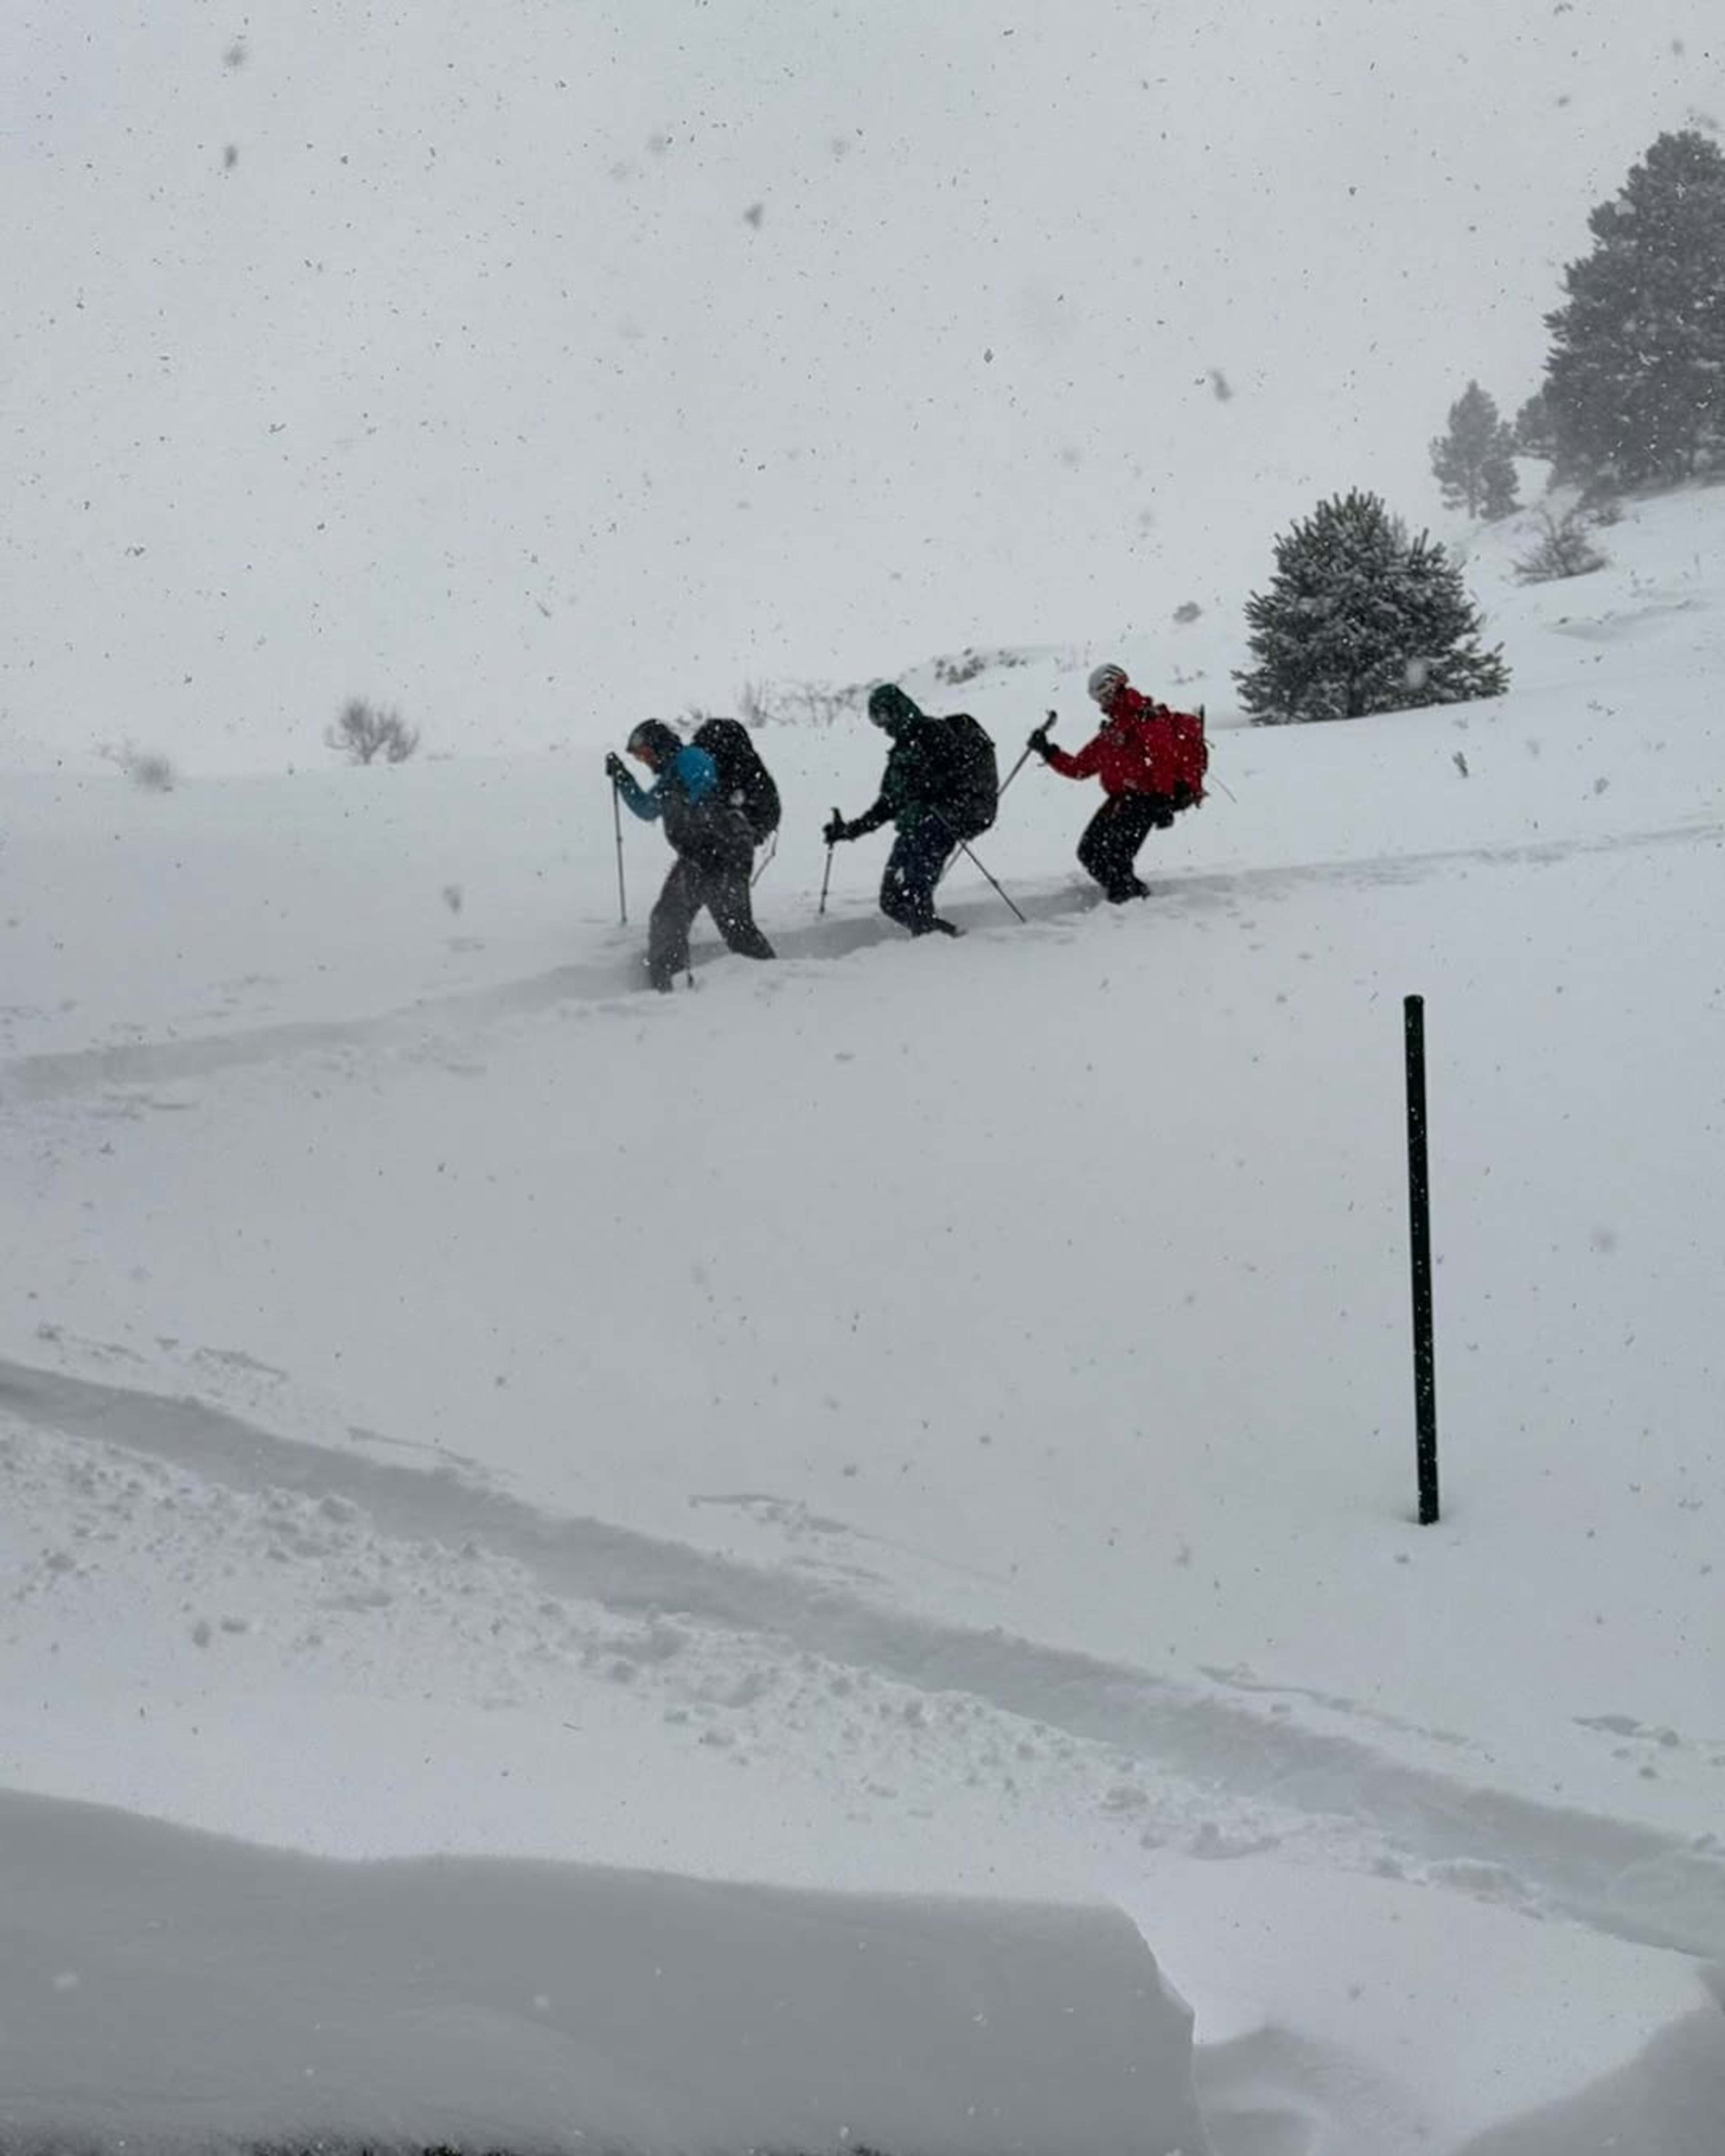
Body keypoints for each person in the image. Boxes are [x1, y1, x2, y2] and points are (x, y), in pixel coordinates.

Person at [607, 719, 775, 991]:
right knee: (668, 918)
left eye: (646, 754)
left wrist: (698, 817)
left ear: (659, 746)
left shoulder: (690, 758)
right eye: (640, 758)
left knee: (735, 926)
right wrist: (623, 778)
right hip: (701, 855)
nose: (646, 762)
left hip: (722, 850)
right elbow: (647, 809)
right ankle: (669, 989)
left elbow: (705, 789)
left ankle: (777, 981)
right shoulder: (670, 776)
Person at [1029, 663, 1206, 902]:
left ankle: (1130, 905)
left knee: (1114, 859)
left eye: (1104, 696)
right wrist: (1048, 751)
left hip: (1147, 800)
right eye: (1098, 699)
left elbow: (1163, 758)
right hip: (1121, 800)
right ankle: (1133, 899)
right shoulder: (1113, 730)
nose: (1102, 704)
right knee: (1090, 853)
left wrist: (1163, 800)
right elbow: (1080, 768)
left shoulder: (1146, 717)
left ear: (1116, 688)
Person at [822, 684, 967, 938]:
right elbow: (887, 805)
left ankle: (935, 948)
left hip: (936, 826)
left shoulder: (931, 731)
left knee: (917, 893)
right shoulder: (899, 750)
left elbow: (955, 773)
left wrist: (932, 788)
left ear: (897, 709)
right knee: (891, 901)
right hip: (910, 831)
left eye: (883, 715)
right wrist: (848, 831)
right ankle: (948, 936)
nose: (882, 725)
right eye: (875, 719)